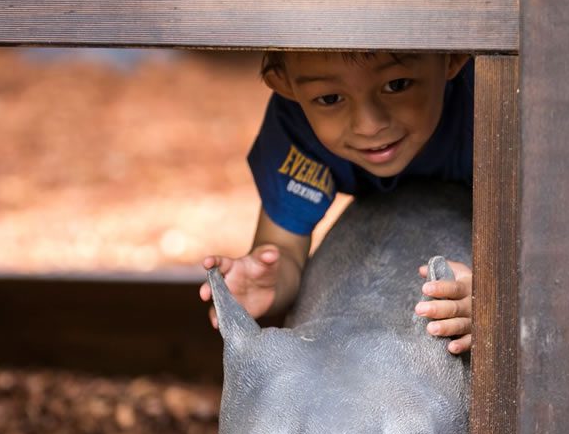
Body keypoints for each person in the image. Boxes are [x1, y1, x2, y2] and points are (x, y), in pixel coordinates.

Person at [199, 51, 475, 354]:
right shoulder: (297, 127)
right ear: (284, 85)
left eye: (397, 84)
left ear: (454, 58)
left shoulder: (495, 105)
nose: (368, 125)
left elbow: (536, 250)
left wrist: (494, 295)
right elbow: (284, 249)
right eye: (330, 99)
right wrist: (270, 279)